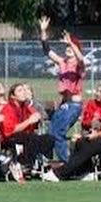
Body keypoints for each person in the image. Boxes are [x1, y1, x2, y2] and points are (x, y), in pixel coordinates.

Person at [51, 83, 101, 180]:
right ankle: (85, 171)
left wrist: (95, 135)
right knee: (81, 142)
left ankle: (60, 173)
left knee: (87, 147)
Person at [40, 16, 86, 163]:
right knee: (51, 131)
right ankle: (48, 160)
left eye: (71, 47)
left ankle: (68, 163)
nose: (68, 49)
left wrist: (71, 42)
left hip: (74, 105)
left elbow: (81, 59)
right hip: (64, 104)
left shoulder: (79, 66)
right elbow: (47, 50)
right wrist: (43, 31)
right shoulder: (62, 62)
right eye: (67, 47)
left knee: (59, 132)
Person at [0, 83, 56, 182]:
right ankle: (24, 165)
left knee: (49, 138)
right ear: (13, 96)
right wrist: (29, 121)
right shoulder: (8, 108)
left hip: (27, 136)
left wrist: (38, 117)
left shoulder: (26, 107)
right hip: (10, 138)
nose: (23, 93)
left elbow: (38, 116)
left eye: (24, 90)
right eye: (20, 91)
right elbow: (11, 130)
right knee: (31, 137)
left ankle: (44, 164)